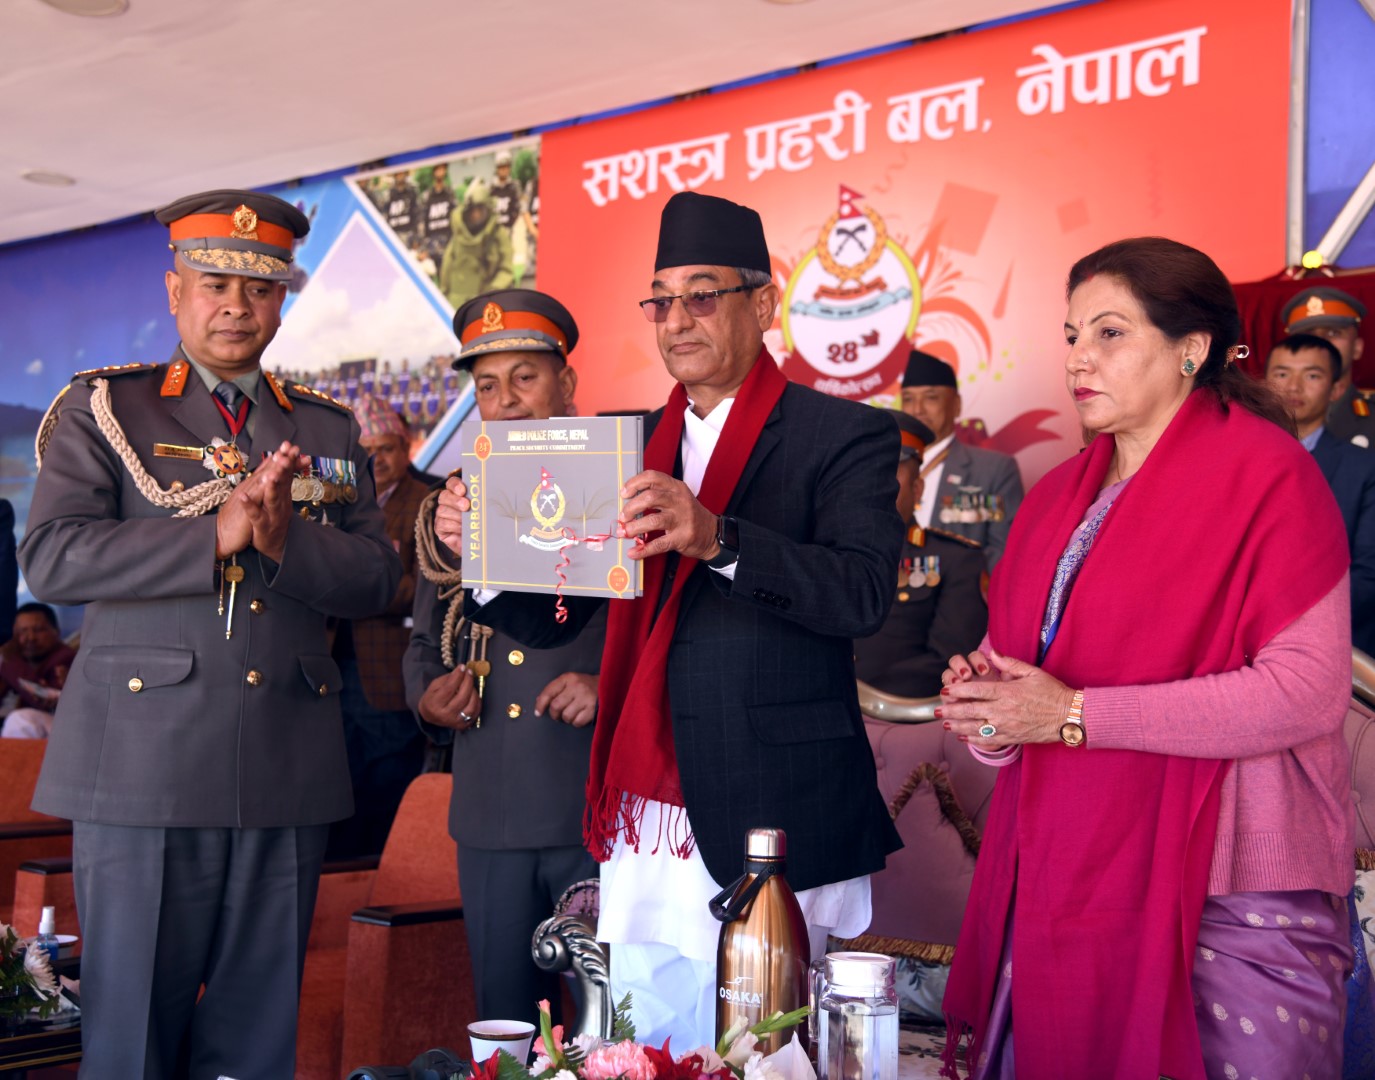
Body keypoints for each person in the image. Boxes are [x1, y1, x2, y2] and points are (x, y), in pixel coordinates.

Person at [435, 191, 902, 1050]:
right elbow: (557, 614)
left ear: (763, 304)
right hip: (645, 802)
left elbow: (862, 594)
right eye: (661, 300)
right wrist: (482, 559)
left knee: (767, 1049)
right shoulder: (623, 441)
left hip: (773, 795)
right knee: (642, 1039)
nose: (678, 319)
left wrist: (718, 538)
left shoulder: (841, 435)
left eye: (703, 295)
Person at [937, 237, 1353, 1079]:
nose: (1077, 359)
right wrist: (988, 710)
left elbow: (1305, 693)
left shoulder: (1268, 478)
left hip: (1229, 882)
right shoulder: (1055, 498)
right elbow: (1019, 685)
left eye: (1109, 333)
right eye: (1070, 335)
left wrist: (1072, 715)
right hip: (1064, 866)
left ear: (1190, 350)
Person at [18, 189, 401, 1079]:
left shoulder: (324, 426)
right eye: (216, 284)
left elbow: (376, 579)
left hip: (285, 762)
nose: (237, 305)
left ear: (281, 303)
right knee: (133, 1041)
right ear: (174, 291)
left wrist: (284, 540)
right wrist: (215, 534)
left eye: (259, 289)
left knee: (257, 1042)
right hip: (142, 765)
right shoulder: (108, 409)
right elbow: (55, 558)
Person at [403, 288, 604, 1026]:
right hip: (490, 799)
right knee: (505, 1023)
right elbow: (424, 641)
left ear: (566, 382)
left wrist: (607, 683)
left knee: (611, 1021)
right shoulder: (453, 504)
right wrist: (428, 697)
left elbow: (662, 633)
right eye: (487, 386)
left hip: (586, 792)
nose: (507, 399)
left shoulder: (615, 481)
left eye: (525, 377)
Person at [328, 394, 431, 857]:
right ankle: (343, 881)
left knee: (388, 790)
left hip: (389, 675)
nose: (376, 460)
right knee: (340, 788)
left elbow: (424, 589)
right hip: (331, 672)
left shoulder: (426, 502)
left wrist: (347, 586)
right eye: (366, 451)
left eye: (386, 448)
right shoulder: (338, 504)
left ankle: (383, 881)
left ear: (406, 448)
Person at [854, 411, 987, 699]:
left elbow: (949, 659)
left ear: (917, 489)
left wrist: (859, 694)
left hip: (903, 713)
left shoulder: (957, 559)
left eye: (889, 473)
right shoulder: (825, 551)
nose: (875, 485)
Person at [1266, 332, 1375, 656]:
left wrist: (1288, 629)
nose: (1293, 387)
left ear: (1337, 388)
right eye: (1281, 374)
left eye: (1312, 375)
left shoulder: (1363, 468)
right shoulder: (1233, 458)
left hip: (1332, 644)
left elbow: (1369, 574)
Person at [899, 351, 1024, 570]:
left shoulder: (993, 470)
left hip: (963, 589)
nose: (917, 409)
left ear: (956, 405)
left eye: (930, 397)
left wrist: (953, 584)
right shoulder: (884, 467)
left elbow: (1004, 551)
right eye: (908, 399)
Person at [1281, 285, 1375, 448]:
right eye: (1308, 336)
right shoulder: (1269, 418)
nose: (1321, 343)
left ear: (1357, 348)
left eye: (1333, 333)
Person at [0, 602, 76, 738]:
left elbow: (43, 699)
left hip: (69, 731)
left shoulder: (67, 658)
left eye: (38, 630)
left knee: (20, 721)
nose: (30, 638)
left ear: (56, 632)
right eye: (22, 631)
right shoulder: (21, 659)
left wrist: (10, 660)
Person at [438, 178, 514, 312]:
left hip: (485, 301)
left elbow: (506, 269)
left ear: (488, 210)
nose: (475, 215)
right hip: (456, 302)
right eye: (472, 210)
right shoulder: (459, 233)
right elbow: (447, 266)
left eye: (480, 210)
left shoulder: (497, 234)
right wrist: (443, 295)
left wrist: (494, 290)